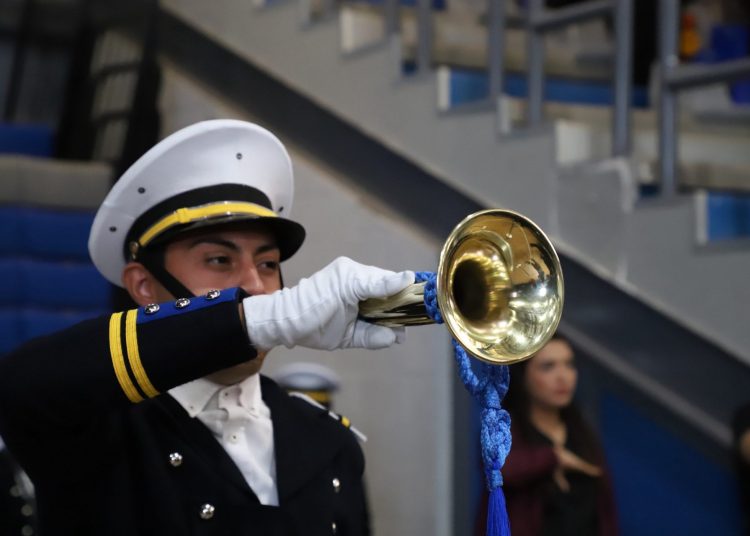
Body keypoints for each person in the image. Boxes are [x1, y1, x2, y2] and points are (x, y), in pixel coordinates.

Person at [0, 119, 414, 535]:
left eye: (268, 264)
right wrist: (249, 321)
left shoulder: (328, 440)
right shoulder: (97, 424)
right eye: (219, 260)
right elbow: (22, 385)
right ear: (143, 286)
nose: (256, 285)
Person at [496, 333, 618, 536]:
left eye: (569, 364)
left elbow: (606, 513)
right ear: (523, 375)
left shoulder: (581, 432)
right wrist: (554, 458)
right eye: (548, 367)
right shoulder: (506, 431)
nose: (563, 377)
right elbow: (500, 470)